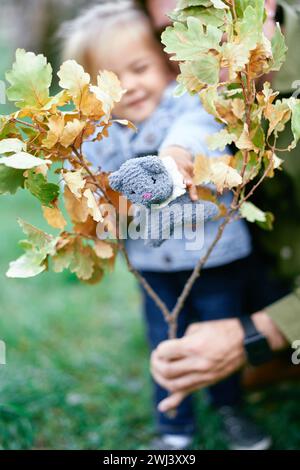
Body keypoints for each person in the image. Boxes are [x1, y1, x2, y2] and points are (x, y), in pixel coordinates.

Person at [58, 0, 270, 450]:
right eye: (112, 81)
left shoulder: (188, 104)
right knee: (165, 343)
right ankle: (173, 428)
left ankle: (233, 410)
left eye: (140, 68)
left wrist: (172, 162)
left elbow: (194, 134)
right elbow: (98, 199)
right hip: (155, 268)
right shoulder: (99, 137)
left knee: (218, 337)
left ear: (167, 66)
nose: (131, 87)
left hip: (217, 260)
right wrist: (100, 204)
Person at [150, 0, 300, 426]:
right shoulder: (198, 107)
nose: (192, 53)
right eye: (172, 35)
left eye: (205, 23)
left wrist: (254, 334)